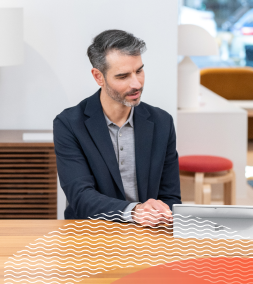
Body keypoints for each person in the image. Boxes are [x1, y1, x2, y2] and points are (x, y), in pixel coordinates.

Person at [53, 30, 181, 226]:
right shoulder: (69, 124)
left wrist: (162, 215)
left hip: (147, 233)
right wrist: (134, 212)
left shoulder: (162, 122)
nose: (136, 83)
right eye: (123, 76)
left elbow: (171, 197)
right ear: (98, 77)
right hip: (91, 233)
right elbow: (80, 197)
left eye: (139, 71)